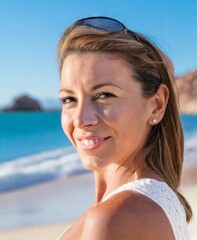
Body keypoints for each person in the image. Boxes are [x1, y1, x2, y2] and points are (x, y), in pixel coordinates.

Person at [57, 16, 192, 240]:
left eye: (104, 95)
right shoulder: (141, 201)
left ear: (157, 105)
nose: (81, 119)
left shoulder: (114, 218)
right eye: (69, 99)